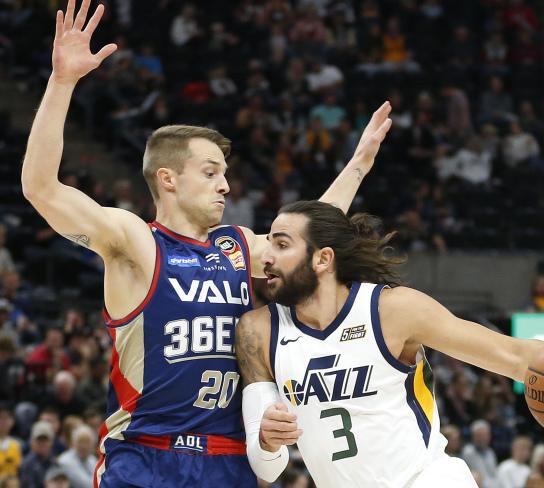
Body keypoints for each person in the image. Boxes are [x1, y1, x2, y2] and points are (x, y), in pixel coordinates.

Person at [21, 1, 392, 487]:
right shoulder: (137, 242)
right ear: (168, 178)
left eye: (226, 175)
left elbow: (312, 235)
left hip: (229, 460)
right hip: (146, 456)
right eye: (211, 172)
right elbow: (41, 188)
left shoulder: (237, 245)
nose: (225, 186)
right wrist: (63, 82)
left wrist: (359, 164)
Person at [234, 200, 544, 487]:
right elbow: (267, 467)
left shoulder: (392, 310)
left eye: (281, 244)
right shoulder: (258, 331)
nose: (265, 256)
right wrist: (268, 440)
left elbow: (513, 356)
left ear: (323, 260)